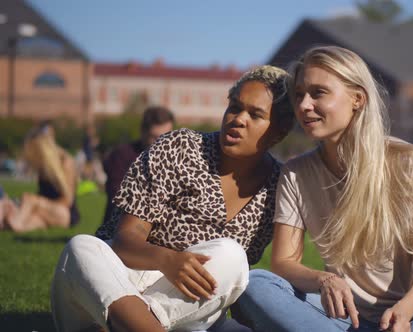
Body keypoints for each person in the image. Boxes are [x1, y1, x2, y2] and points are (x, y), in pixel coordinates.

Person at [235, 46, 413, 332]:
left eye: (318, 93)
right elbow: (283, 262)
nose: (304, 105)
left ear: (357, 99)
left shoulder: (407, 161)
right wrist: (324, 280)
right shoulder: (296, 173)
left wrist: (403, 313)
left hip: (411, 316)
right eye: (300, 94)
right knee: (255, 285)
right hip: (340, 316)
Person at [50, 65, 295, 332]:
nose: (238, 119)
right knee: (82, 248)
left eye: (255, 114)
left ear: (278, 132)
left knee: (233, 256)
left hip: (183, 304)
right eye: (235, 107)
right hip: (117, 280)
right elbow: (125, 239)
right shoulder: (180, 147)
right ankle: (134, 322)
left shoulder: (279, 187)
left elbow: (232, 276)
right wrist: (168, 260)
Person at [101, 106, 175, 227]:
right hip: (122, 227)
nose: (162, 142)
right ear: (143, 132)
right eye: (155, 137)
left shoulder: (176, 159)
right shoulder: (122, 156)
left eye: (167, 136)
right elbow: (118, 197)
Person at [3, 122, 79, 232]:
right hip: (49, 211)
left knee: (28, 199)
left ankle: (15, 222)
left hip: (65, 214)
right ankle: (14, 226)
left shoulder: (65, 162)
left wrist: (38, 202)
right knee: (35, 219)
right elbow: (42, 194)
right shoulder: (43, 168)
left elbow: (67, 201)